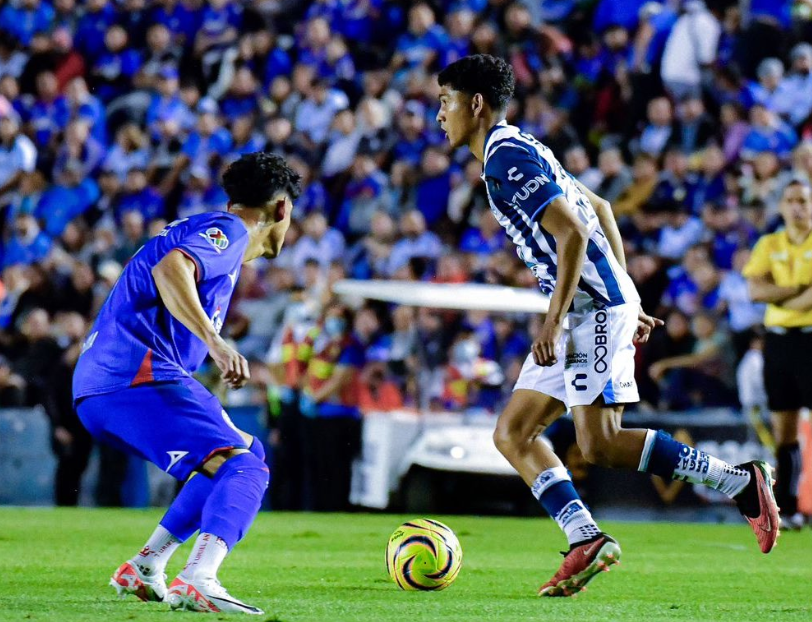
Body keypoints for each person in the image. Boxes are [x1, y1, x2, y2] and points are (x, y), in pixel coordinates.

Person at [435, 54, 779, 597]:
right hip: (588, 304)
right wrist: (628, 293)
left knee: (600, 444)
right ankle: (585, 537)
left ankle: (739, 481)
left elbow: (574, 232)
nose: (440, 115)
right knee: (513, 433)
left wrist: (564, 318)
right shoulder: (521, 146)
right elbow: (603, 207)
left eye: (445, 101)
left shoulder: (506, 161)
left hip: (586, 311)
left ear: (475, 104)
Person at [72, 152, 302, 614]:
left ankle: (146, 563)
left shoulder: (205, 227)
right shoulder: (231, 232)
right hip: (134, 380)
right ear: (282, 209)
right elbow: (171, 269)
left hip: (116, 382)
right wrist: (215, 343)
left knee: (246, 454)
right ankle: (200, 576)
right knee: (247, 470)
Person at [743, 179, 812, 532]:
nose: (797, 206)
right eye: (791, 200)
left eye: (803, 199)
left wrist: (779, 296)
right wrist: (798, 290)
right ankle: (790, 508)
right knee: (784, 429)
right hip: (779, 342)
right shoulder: (769, 243)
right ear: (782, 206)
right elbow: (755, 290)